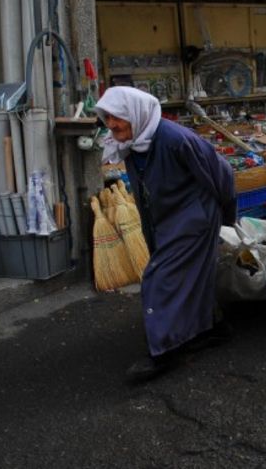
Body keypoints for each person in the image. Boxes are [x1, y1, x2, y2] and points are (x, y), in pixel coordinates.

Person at [95, 87, 237, 382]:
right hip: (168, 218)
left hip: (195, 216)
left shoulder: (175, 139)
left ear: (135, 113)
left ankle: (164, 351)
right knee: (193, 276)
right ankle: (212, 327)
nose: (111, 124)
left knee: (160, 279)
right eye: (107, 117)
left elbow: (222, 172)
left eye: (117, 118)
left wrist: (225, 216)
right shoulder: (134, 144)